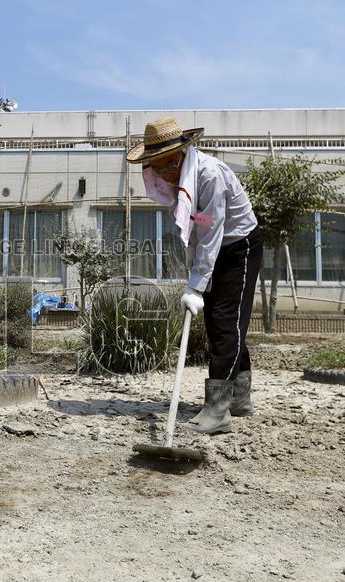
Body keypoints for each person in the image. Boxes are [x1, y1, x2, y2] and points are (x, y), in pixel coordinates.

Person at [126, 116, 263, 435]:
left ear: (176, 158)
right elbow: (196, 234)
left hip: (239, 245)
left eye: (159, 166)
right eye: (152, 167)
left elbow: (212, 231)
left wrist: (196, 286)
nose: (157, 173)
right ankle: (240, 399)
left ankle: (218, 411)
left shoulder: (209, 175)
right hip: (215, 247)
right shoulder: (179, 180)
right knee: (220, 322)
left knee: (226, 321)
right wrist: (196, 280)